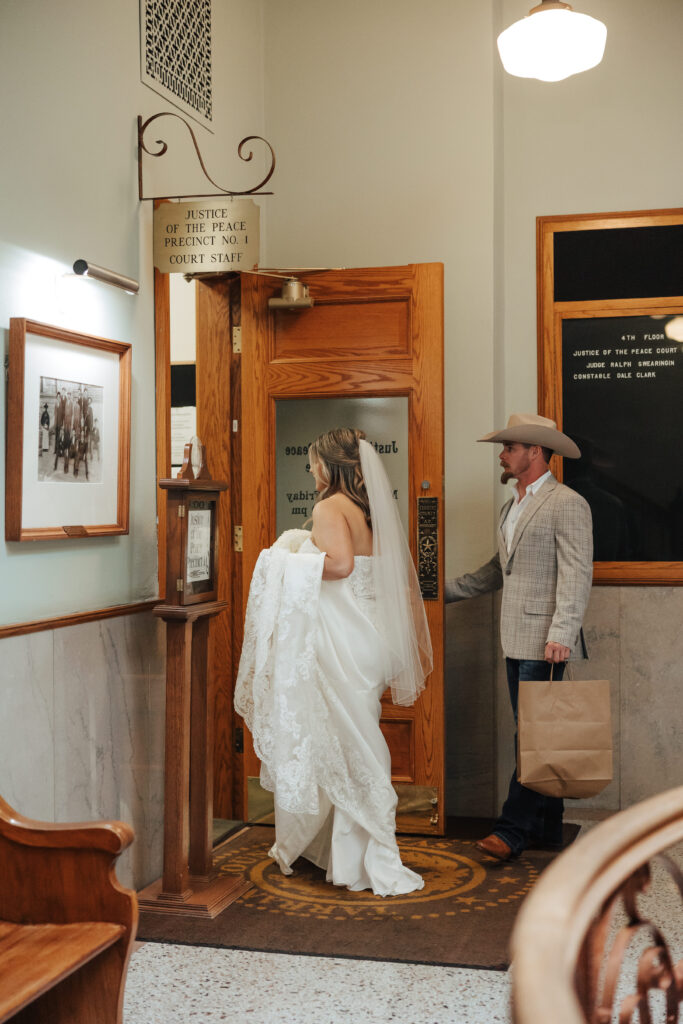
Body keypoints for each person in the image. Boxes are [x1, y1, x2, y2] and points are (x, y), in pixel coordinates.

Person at [235, 427, 433, 896]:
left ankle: (371, 851)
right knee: (352, 739)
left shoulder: (328, 508)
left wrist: (280, 561)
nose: (309, 470)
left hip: (340, 639)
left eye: (312, 462)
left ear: (328, 465)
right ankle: (341, 853)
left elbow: (340, 566)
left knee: (346, 742)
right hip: (368, 636)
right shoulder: (368, 509)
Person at [445, 413, 593, 862]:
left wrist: (562, 633)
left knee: (530, 737)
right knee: (537, 734)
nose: (503, 455)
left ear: (535, 451)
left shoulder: (567, 502)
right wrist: (442, 592)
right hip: (515, 638)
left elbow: (577, 572)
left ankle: (511, 832)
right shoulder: (512, 507)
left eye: (509, 447)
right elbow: (498, 569)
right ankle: (547, 827)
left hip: (546, 642)